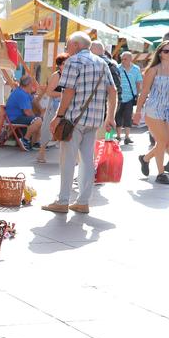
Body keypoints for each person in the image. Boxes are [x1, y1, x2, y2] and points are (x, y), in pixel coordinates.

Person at [41, 31, 112, 214]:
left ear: (75, 45)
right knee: (87, 160)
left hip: (74, 119)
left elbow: (68, 91)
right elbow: (113, 91)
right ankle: (83, 201)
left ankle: (63, 201)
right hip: (95, 119)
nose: (67, 48)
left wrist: (58, 116)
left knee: (67, 160)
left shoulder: (74, 61)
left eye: (68, 45)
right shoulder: (102, 62)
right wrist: (110, 115)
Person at [133, 40, 169, 185]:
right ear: (160, 53)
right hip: (154, 107)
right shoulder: (153, 70)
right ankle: (161, 173)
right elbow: (144, 92)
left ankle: (145, 159)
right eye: (166, 51)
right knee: (161, 141)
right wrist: (137, 111)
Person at [35, 54, 66, 165]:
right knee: (48, 127)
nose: (66, 65)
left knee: (67, 129)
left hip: (67, 105)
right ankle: (41, 153)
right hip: (54, 105)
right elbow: (49, 92)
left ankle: (71, 158)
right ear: (59, 65)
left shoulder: (70, 74)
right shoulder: (56, 75)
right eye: (63, 63)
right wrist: (63, 94)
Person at [3, 72, 42, 150]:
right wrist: (38, 117)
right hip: (15, 118)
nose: (33, 85)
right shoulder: (22, 94)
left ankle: (35, 143)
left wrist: (41, 111)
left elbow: (34, 101)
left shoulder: (22, 91)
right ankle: (25, 140)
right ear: (29, 84)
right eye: (32, 84)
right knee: (38, 120)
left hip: (17, 117)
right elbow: (27, 112)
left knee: (39, 119)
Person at [113, 50, 140, 145]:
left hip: (130, 97)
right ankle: (118, 136)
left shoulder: (136, 69)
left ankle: (127, 137)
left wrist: (137, 94)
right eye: (122, 59)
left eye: (125, 59)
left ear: (130, 59)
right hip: (119, 97)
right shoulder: (117, 68)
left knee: (128, 117)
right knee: (118, 116)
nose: (123, 61)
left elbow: (138, 82)